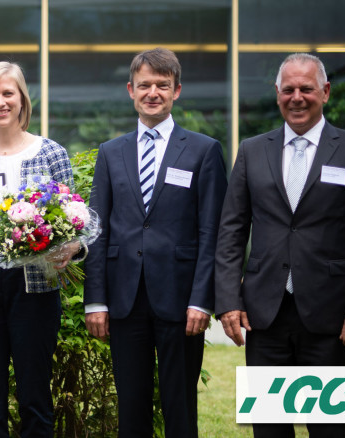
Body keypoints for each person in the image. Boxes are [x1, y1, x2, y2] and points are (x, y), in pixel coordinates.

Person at [215, 53, 345, 438]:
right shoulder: (252, 150)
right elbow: (231, 230)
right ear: (277, 93)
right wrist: (228, 299)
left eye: (306, 89)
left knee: (327, 428)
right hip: (264, 315)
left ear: (324, 92)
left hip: (331, 317)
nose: (297, 97)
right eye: (288, 89)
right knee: (269, 428)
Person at [83, 48, 228, 437]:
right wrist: (96, 300)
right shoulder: (111, 153)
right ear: (131, 90)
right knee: (131, 407)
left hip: (181, 301)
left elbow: (211, 231)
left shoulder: (204, 150)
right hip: (124, 299)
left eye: (162, 85)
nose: (153, 92)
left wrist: (202, 299)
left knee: (179, 405)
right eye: (144, 85)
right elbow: (98, 230)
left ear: (177, 90)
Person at [0, 61, 82, 437]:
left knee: (35, 397)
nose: (0, 102)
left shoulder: (51, 153)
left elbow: (76, 222)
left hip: (35, 288)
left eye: (7, 93)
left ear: (22, 98)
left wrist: (69, 249)